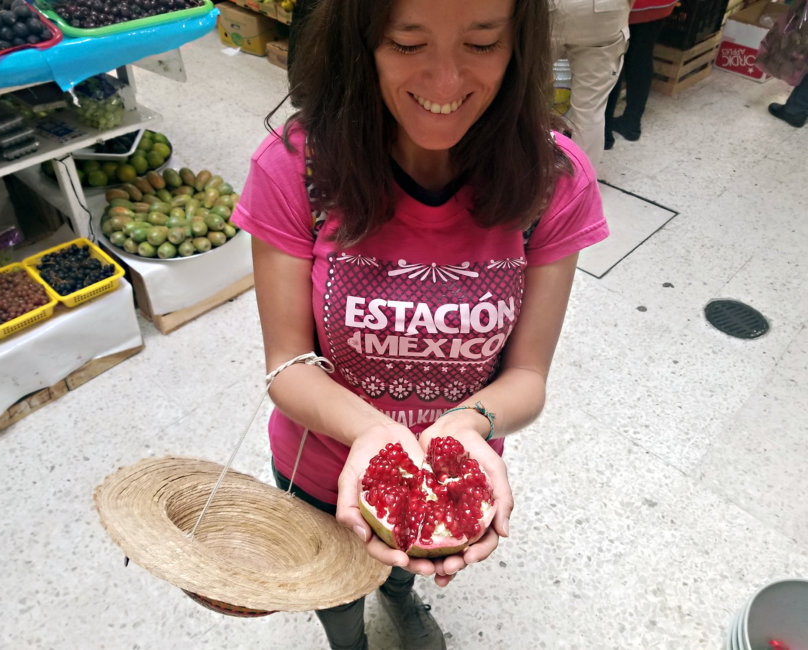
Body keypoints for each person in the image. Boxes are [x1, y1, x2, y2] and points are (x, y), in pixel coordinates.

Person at [232, 1, 609, 648]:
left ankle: (403, 603)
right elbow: (287, 365)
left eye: (482, 43)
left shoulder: (553, 183)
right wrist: (375, 436)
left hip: (457, 467)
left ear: (520, 42)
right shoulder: (296, 168)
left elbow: (527, 377)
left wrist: (464, 428)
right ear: (362, 42)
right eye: (407, 44)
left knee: (403, 573)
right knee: (335, 585)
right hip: (319, 465)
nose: (444, 83)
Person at [549, 0, 631, 167]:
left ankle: (521, 170)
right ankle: (581, 186)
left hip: (548, 8)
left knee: (526, 92)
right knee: (590, 110)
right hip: (605, 9)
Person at [604, 0, 678, 148]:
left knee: (614, 58)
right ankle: (632, 122)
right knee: (642, 54)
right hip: (660, 3)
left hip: (629, 5)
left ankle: (603, 133)